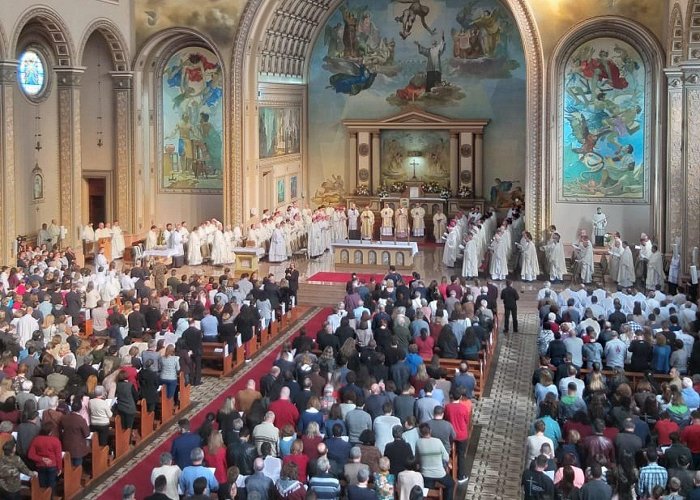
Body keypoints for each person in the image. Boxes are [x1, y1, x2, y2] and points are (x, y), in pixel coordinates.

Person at [415, 423, 453, 500]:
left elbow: (417, 459)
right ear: (430, 431)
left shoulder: (418, 442)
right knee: (451, 484)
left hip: (425, 474)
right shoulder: (438, 441)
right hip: (440, 474)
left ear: (420, 433)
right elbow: (446, 457)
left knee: (429, 489)